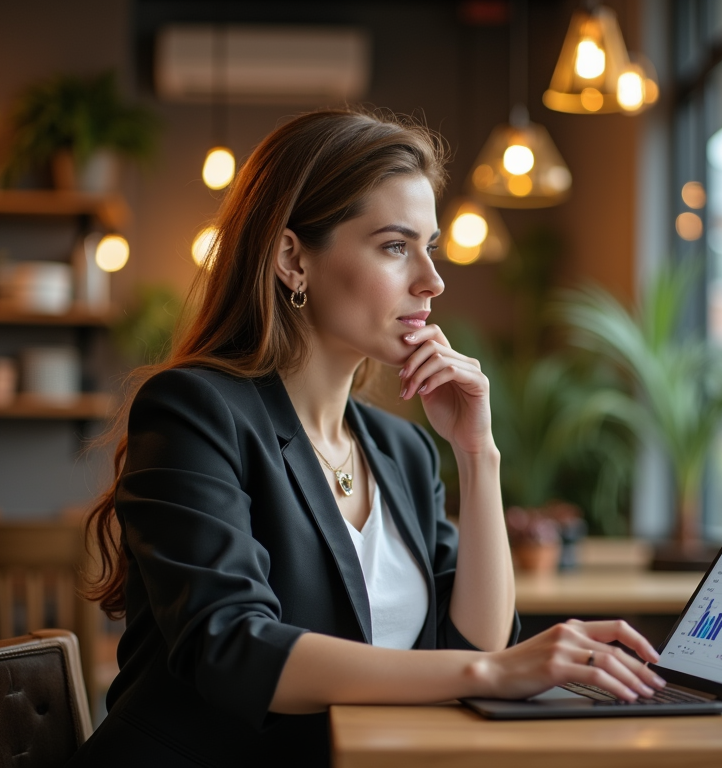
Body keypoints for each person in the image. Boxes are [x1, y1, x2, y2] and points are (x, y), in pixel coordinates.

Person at [68, 109, 665, 768]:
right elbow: (231, 645)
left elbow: (474, 646)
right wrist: (491, 676)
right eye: (393, 246)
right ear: (293, 259)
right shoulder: (196, 411)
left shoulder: (401, 451)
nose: (431, 281)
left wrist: (478, 453)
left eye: (429, 246)